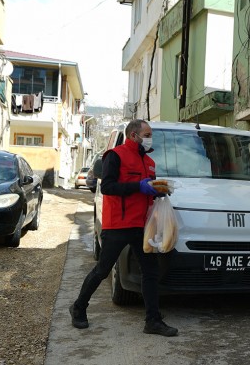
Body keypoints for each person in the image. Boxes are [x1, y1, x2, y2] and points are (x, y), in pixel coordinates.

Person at [69, 120, 178, 337]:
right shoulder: (115, 155)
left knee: (150, 272)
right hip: (117, 225)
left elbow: (148, 189)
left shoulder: (149, 162)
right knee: (103, 269)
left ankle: (153, 321)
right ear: (133, 135)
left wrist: (157, 191)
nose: (150, 138)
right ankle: (79, 307)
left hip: (141, 225)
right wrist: (138, 187)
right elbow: (108, 187)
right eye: (147, 134)